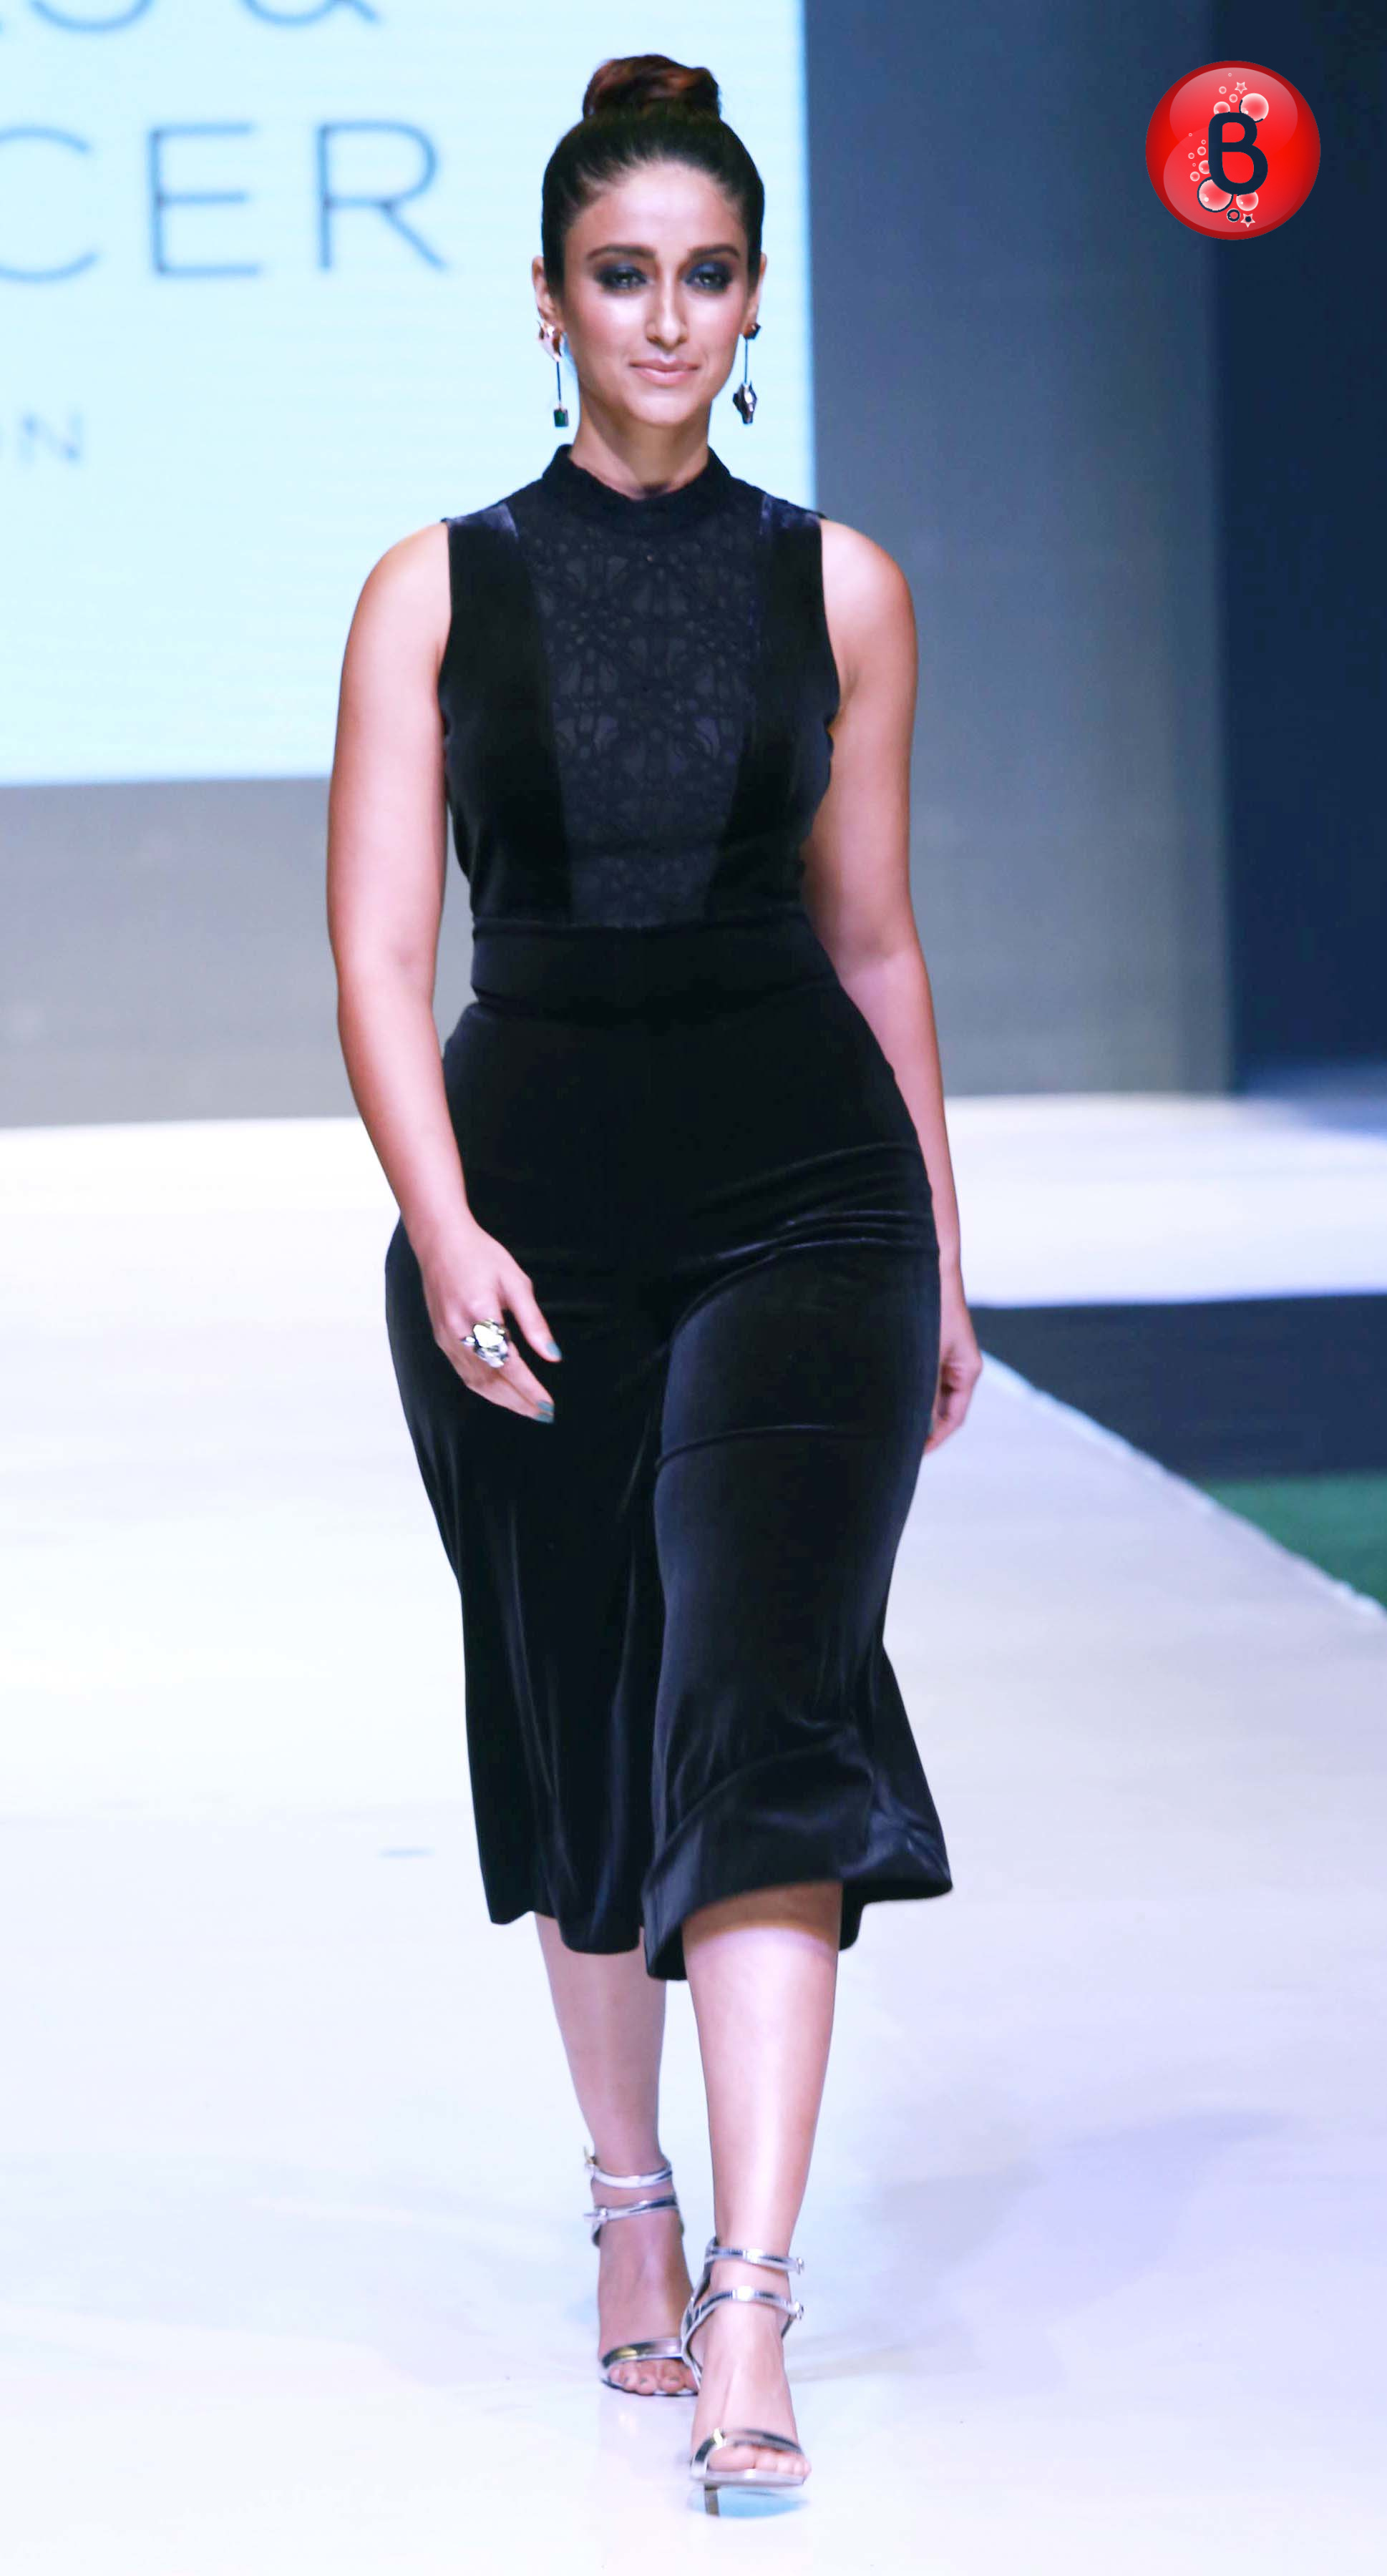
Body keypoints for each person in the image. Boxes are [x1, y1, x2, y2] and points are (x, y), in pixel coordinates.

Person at [326, 50, 983, 2502]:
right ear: (548, 301)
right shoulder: (432, 590)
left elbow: (875, 939)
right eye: (624, 276)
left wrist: (944, 1257)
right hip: (529, 1205)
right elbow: (380, 954)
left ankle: (750, 2292)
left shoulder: (841, 586)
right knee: (584, 1708)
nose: (668, 318)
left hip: (809, 1196)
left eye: (707, 276)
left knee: (761, 1706)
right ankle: (630, 2202)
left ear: (755, 298)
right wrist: (445, 1223)